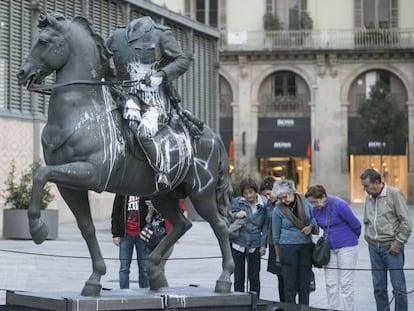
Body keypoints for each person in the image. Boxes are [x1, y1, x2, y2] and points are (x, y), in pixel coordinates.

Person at [106, 16, 191, 190]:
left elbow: (182, 60)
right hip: (125, 97)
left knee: (144, 133)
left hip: (154, 102)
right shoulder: (117, 36)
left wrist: (161, 75)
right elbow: (101, 57)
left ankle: (162, 172)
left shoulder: (160, 34)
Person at [360, 168, 412, 311]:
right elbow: (366, 220)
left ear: (377, 182)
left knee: (399, 288)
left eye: (366, 186)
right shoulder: (369, 197)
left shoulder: (394, 194)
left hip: (391, 248)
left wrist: (398, 243)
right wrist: (368, 236)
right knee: (378, 288)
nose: (364, 189)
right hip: (374, 248)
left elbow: (406, 223)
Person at [305, 184, 361, 311]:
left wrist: (349, 239)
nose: (314, 205)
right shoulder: (315, 210)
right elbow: (320, 226)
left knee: (346, 283)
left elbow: (356, 225)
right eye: (311, 202)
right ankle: (333, 308)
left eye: (315, 201)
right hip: (329, 248)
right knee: (331, 283)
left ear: (323, 197)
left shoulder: (339, 205)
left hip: (347, 247)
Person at [271, 180, 317, 306]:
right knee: (289, 286)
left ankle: (304, 308)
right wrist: (278, 255)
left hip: (305, 246)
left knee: (304, 285)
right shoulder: (277, 210)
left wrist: (311, 227)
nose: (283, 200)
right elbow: (275, 236)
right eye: (280, 198)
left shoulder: (305, 201)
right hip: (287, 248)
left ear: (292, 192)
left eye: (285, 197)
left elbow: (314, 217)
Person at [231, 177, 268, 299]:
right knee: (239, 277)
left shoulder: (263, 205)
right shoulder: (237, 202)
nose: (248, 195)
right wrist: (235, 215)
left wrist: (263, 245)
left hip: (255, 244)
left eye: (251, 192)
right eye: (245, 193)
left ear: (255, 191)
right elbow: (226, 215)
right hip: (238, 243)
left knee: (254, 277)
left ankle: (255, 302)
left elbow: (265, 226)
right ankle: (239, 302)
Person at [111, 195, 151, 289]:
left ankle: (145, 291)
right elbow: (115, 213)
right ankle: (124, 292)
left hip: (142, 235)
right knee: (124, 268)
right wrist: (116, 234)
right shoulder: (122, 192)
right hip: (126, 235)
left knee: (144, 268)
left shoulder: (145, 191)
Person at [260, 176, 285, 302]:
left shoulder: (286, 202)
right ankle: (283, 303)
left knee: (289, 277)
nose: (268, 198)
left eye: (269, 194)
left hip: (287, 244)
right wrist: (263, 244)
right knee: (280, 277)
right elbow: (265, 225)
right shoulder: (268, 206)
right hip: (274, 244)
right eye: (265, 196)